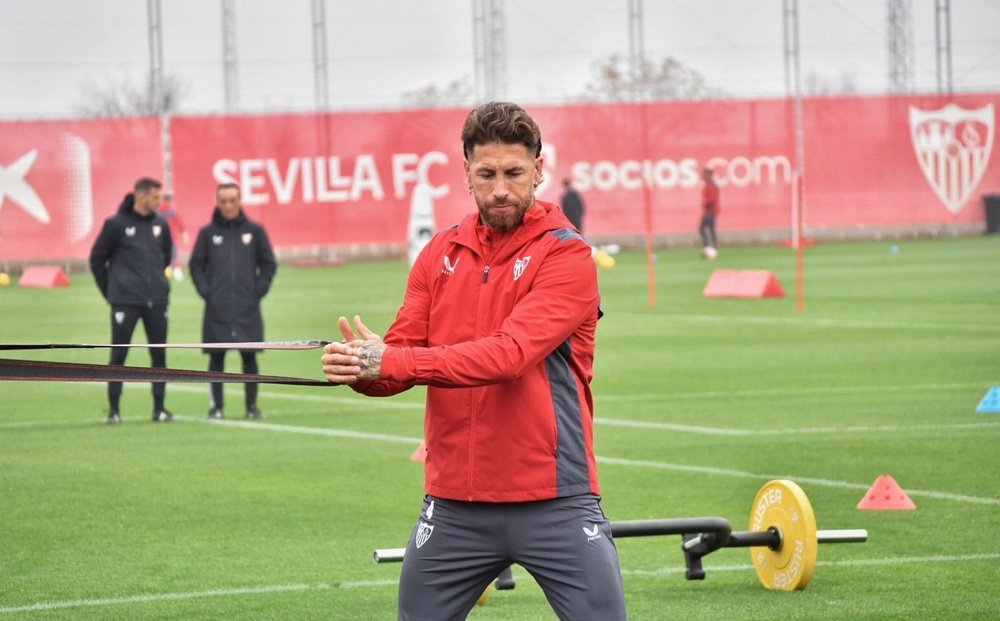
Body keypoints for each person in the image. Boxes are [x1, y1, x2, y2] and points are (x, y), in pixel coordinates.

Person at [321, 102, 627, 621]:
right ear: (466, 173)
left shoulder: (567, 255)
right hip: (455, 508)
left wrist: (391, 362)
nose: (501, 188)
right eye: (486, 174)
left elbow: (508, 356)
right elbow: (401, 357)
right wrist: (360, 367)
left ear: (539, 170)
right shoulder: (440, 251)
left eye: (514, 173)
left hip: (554, 499)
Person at [89, 177, 174, 424]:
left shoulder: (161, 224)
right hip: (125, 302)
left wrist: (156, 283)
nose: (160, 202)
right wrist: (112, 292)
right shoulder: (116, 224)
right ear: (141, 196)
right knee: (119, 355)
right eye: (156, 197)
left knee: (159, 356)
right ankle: (114, 411)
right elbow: (97, 260)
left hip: (157, 301)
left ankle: (159, 409)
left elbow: (165, 257)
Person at [189, 183, 277, 420]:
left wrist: (257, 291)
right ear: (217, 203)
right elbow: (196, 265)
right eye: (223, 201)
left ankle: (251, 407)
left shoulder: (255, 231)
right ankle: (216, 407)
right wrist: (207, 291)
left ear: (240, 201)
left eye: (232, 200)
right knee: (216, 358)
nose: (228, 205)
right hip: (217, 308)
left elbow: (268, 264)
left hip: (247, 307)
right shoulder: (207, 233)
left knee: (249, 356)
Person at [699, 166, 720, 257]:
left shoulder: (710, 185)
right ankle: (711, 248)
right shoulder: (711, 184)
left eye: (703, 174)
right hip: (711, 210)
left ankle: (709, 248)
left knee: (703, 228)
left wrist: (704, 204)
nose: (702, 176)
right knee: (710, 229)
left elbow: (711, 199)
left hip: (710, 211)